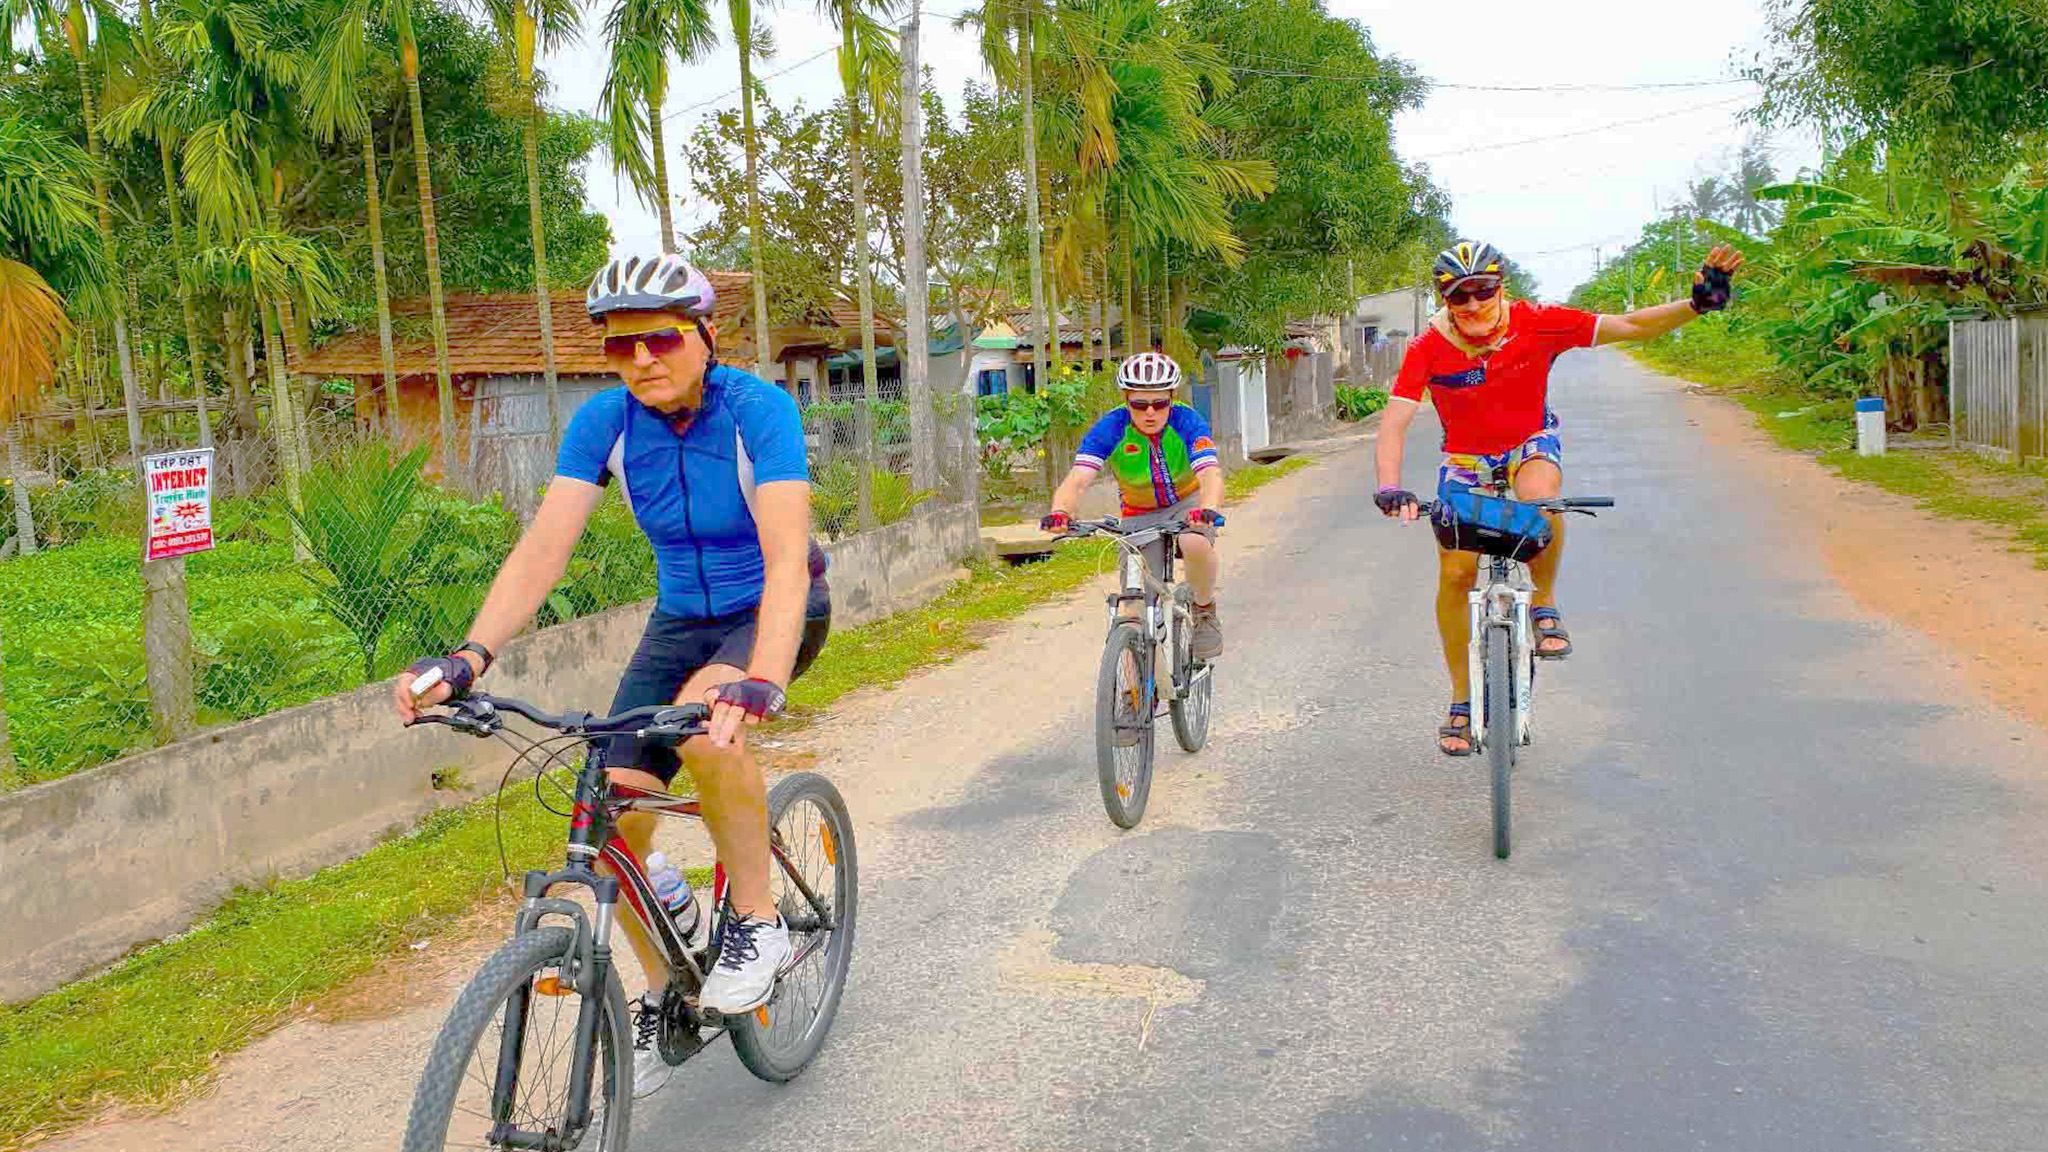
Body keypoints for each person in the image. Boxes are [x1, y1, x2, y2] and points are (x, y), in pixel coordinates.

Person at [392, 253, 830, 1092]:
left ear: (705, 335)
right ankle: (670, 984)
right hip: (679, 619)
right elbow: (543, 549)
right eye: (619, 348)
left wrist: (761, 677)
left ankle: (759, 918)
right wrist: (469, 656)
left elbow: (784, 562)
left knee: (706, 731)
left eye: (660, 340)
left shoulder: (758, 412)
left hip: (774, 609)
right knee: (613, 812)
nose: (641, 362)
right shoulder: (605, 423)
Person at [1373, 239, 1742, 755]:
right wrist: (1389, 485)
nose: (1474, 305)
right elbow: (1394, 423)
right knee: (1456, 574)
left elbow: (1629, 325)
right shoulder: (1427, 348)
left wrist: (1697, 306)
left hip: (1529, 443)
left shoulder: (1539, 322)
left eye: (1484, 290)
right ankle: (1461, 701)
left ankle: (1544, 602)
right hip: (1465, 460)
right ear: (1445, 300)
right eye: (1460, 296)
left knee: (1541, 498)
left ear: (1502, 288)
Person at [1041, 350, 1226, 659]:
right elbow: (1078, 479)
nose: (1150, 412)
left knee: (1194, 542)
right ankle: (1132, 691)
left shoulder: (1187, 420)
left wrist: (1208, 508)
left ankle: (1205, 611)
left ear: (1172, 398)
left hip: (1187, 503)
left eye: (1159, 403)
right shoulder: (1112, 427)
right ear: (1126, 400)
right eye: (1139, 404)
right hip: (1139, 514)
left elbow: (1209, 473)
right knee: (1133, 608)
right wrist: (1060, 511)